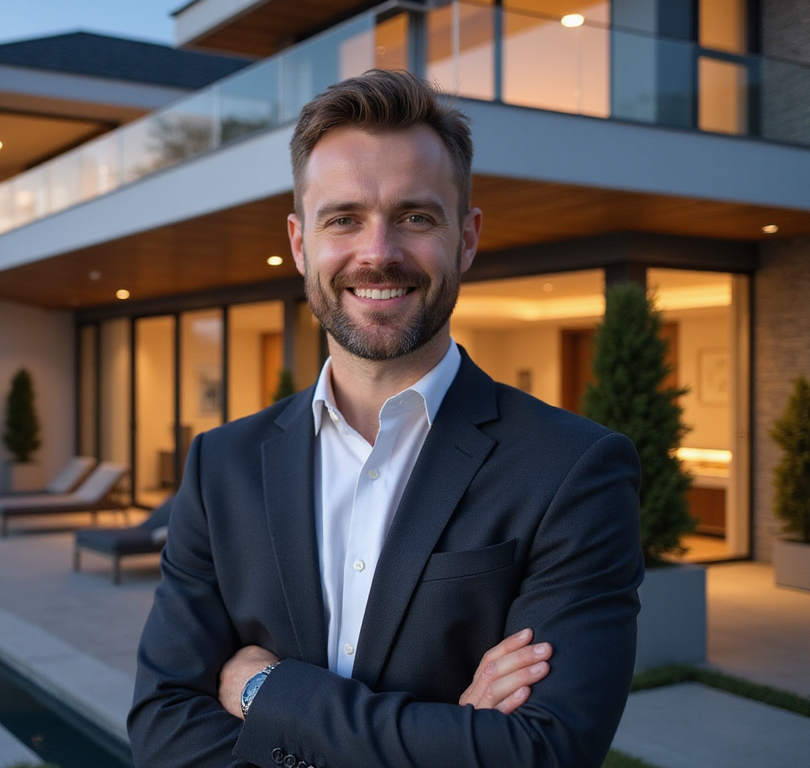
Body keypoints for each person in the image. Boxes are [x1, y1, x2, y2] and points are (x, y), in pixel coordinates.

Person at [128, 69, 644, 768]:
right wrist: (449, 738)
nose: (378, 252)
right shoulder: (222, 467)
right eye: (344, 218)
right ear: (301, 242)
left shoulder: (573, 470)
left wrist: (266, 690)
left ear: (466, 238)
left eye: (415, 216)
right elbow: (163, 730)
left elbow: (541, 753)